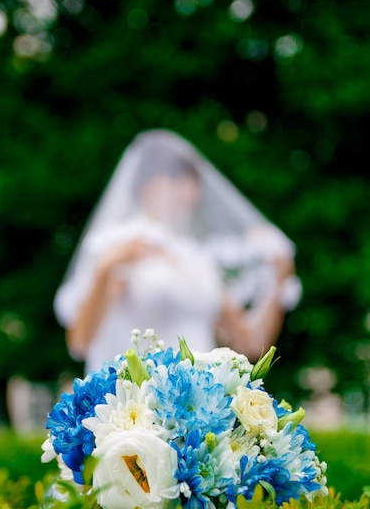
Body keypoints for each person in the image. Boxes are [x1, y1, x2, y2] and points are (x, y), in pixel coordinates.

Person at [54, 129, 302, 372]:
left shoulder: (199, 259)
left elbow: (249, 342)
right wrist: (105, 268)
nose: (188, 191)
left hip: (201, 404)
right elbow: (80, 341)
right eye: (175, 178)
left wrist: (277, 280)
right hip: (143, 400)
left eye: (192, 180)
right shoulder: (115, 247)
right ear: (145, 186)